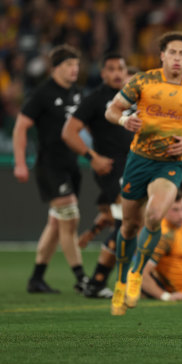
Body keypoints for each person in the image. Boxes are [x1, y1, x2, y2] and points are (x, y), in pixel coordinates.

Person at [105, 31, 182, 315]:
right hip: (139, 160)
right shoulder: (143, 81)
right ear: (162, 55)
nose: (178, 58)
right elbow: (112, 109)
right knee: (129, 226)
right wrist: (124, 119)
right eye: (173, 52)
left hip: (171, 162)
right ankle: (121, 281)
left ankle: (136, 273)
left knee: (155, 215)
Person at [12, 45, 88, 294]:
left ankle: (36, 279)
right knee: (70, 217)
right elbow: (21, 127)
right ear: (55, 68)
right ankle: (81, 277)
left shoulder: (76, 93)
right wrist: (20, 162)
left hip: (71, 164)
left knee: (56, 225)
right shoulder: (42, 93)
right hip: (50, 166)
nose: (74, 69)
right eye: (68, 65)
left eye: (76, 64)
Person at [62, 52, 134, 298]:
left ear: (126, 72)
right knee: (129, 223)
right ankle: (101, 281)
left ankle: (99, 282)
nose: (116, 73)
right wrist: (92, 157)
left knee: (129, 224)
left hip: (137, 166)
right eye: (111, 69)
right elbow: (69, 132)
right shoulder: (94, 100)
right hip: (113, 169)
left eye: (120, 68)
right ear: (103, 73)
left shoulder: (131, 97)